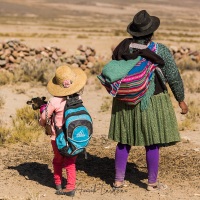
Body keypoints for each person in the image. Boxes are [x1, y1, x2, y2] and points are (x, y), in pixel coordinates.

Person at [98, 10, 188, 191]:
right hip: (151, 100)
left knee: (124, 141)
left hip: (124, 100)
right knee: (152, 141)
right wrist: (181, 99)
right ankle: (152, 183)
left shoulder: (122, 48)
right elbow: (173, 76)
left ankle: (118, 181)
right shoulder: (159, 50)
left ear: (133, 32)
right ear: (151, 32)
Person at [39, 65, 87, 196]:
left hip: (58, 138)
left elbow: (44, 117)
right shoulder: (78, 98)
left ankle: (58, 184)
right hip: (74, 137)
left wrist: (42, 121)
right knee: (70, 162)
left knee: (58, 161)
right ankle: (70, 187)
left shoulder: (54, 101)